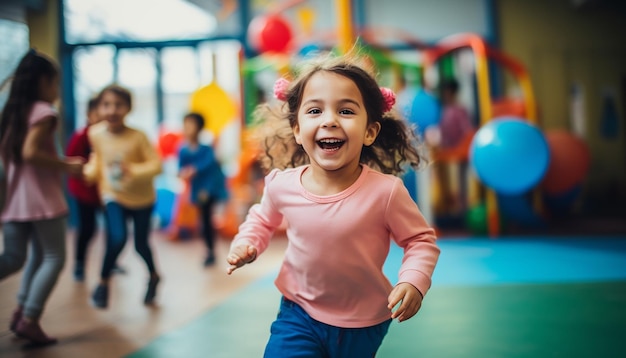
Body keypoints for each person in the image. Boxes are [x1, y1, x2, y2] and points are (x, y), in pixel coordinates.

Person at [226, 55, 440, 357]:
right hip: (298, 311)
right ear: (298, 129)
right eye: (315, 110)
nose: (329, 120)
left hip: (363, 320)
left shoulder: (386, 192)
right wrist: (247, 243)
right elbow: (261, 220)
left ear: (369, 131)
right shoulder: (281, 185)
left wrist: (413, 281)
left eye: (346, 110)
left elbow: (420, 240)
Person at [0, 50, 84, 346]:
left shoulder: (12, 113)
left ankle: (21, 312)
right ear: (43, 82)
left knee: (18, 257)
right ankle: (30, 318)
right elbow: (31, 153)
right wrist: (67, 166)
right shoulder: (44, 113)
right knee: (53, 257)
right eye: (55, 83)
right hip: (44, 202)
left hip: (14, 203)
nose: (57, 90)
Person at [84, 84, 162, 309]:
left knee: (140, 244)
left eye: (118, 105)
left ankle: (154, 276)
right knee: (116, 238)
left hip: (142, 199)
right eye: (106, 105)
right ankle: (102, 282)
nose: (112, 110)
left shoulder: (138, 137)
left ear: (128, 108)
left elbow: (156, 166)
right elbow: (97, 161)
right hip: (113, 195)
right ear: (99, 108)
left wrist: (133, 170)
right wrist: (87, 173)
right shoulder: (95, 134)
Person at [66, 97, 126, 281]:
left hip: (107, 192)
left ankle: (111, 262)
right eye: (98, 113)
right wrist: (87, 173)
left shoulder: (109, 136)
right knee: (87, 229)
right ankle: (79, 265)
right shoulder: (82, 136)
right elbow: (71, 163)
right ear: (89, 115)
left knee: (113, 230)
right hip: (85, 192)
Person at [178, 112, 228, 267]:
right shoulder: (183, 150)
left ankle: (210, 251)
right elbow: (181, 169)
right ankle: (209, 250)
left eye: (191, 124)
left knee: (206, 220)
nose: (187, 128)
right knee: (203, 220)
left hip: (209, 189)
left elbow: (210, 168)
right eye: (185, 124)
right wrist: (184, 173)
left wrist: (195, 171)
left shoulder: (206, 149)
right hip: (197, 190)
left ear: (199, 128)